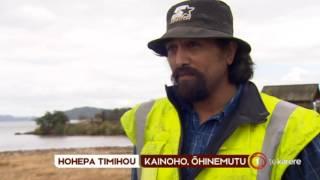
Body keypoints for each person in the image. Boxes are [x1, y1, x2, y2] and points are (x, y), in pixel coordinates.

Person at [120, 0, 320, 179]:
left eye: (193, 45)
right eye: (172, 49)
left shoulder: (292, 130)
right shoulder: (147, 120)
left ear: (229, 53)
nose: (180, 59)